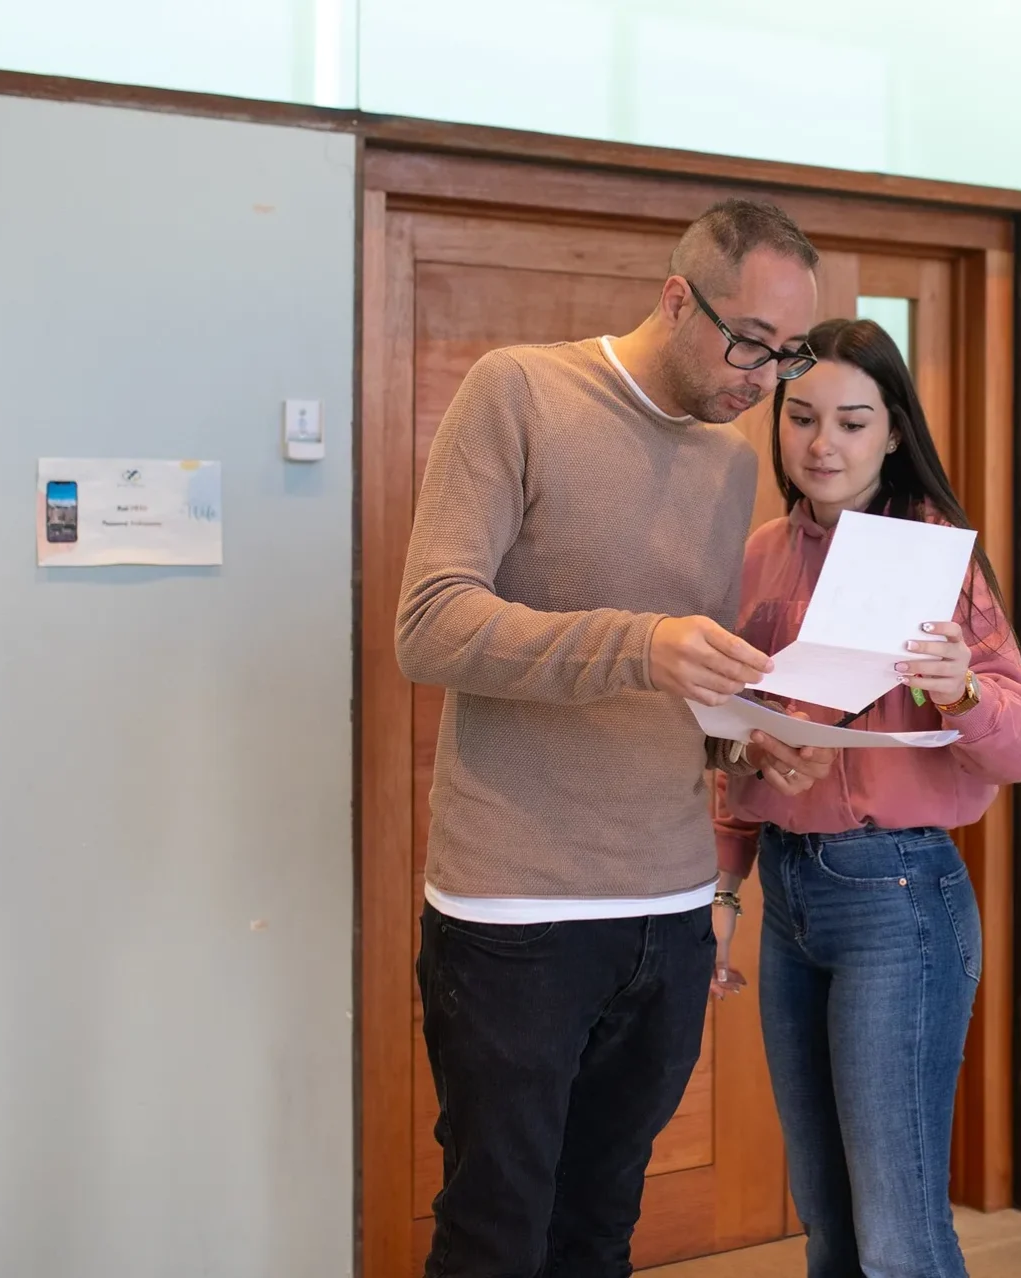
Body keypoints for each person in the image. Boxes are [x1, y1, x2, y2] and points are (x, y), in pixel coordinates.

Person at [396, 198, 843, 1278]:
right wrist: (643, 644)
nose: (763, 379)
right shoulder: (522, 390)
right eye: (749, 343)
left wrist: (747, 739)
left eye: (789, 356)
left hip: (672, 908)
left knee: (601, 1234)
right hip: (518, 910)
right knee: (497, 1233)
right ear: (676, 299)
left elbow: (676, 686)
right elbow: (431, 623)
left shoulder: (731, 460)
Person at [710, 318, 1021, 1278]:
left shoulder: (936, 557)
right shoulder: (759, 555)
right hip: (789, 898)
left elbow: (1020, 750)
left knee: (897, 1231)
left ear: (893, 431)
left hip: (899, 899)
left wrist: (961, 688)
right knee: (826, 1216)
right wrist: (727, 890)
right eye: (802, 417)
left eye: (853, 422)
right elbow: (732, 746)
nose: (824, 444)